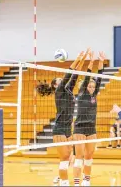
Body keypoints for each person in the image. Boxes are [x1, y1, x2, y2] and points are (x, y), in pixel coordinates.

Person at [36, 51, 87, 186]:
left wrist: (83, 59)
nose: (61, 80)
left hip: (68, 128)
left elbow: (75, 74)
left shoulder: (68, 90)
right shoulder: (59, 91)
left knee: (70, 156)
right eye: (59, 80)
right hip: (59, 128)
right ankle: (63, 182)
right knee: (64, 157)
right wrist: (77, 58)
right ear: (55, 85)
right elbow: (69, 73)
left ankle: (59, 178)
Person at [73, 51, 105, 186]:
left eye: (93, 86)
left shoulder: (93, 95)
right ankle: (76, 182)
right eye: (89, 86)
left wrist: (101, 61)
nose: (92, 88)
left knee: (89, 156)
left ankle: (86, 180)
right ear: (84, 87)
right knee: (79, 157)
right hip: (79, 128)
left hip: (91, 128)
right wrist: (91, 62)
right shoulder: (81, 94)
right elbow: (87, 77)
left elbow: (99, 78)